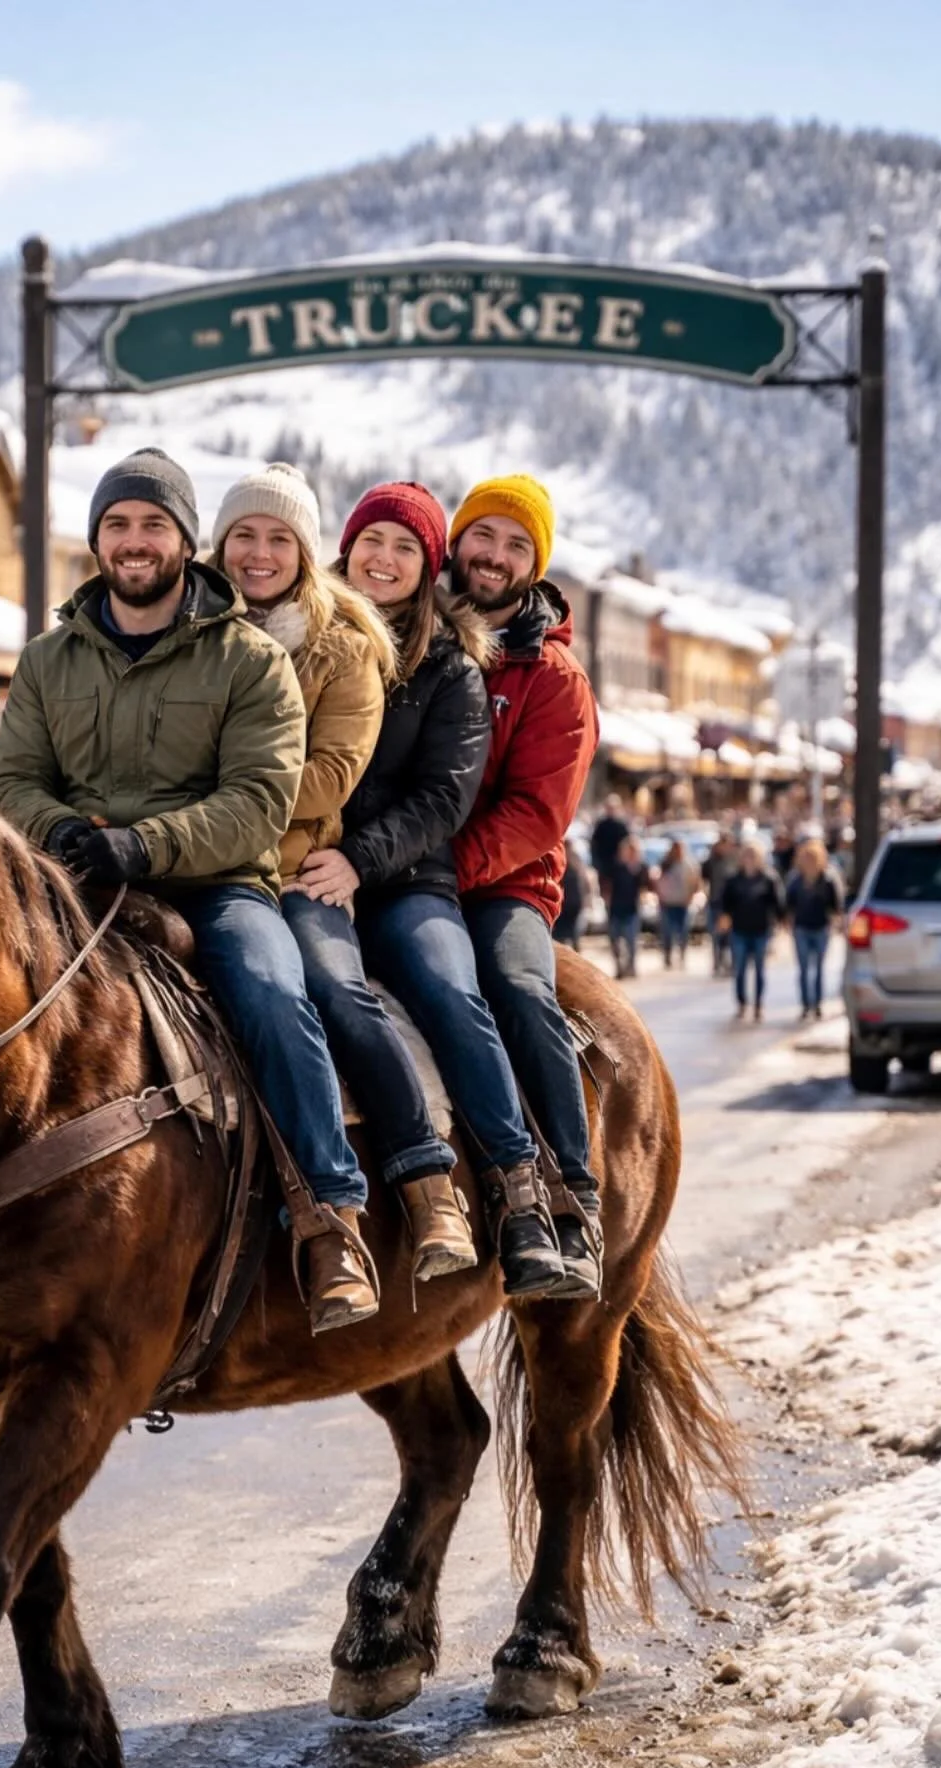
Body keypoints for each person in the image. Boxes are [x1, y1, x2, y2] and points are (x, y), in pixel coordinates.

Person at [0, 447, 375, 1333]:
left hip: (218, 886)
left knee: (277, 997)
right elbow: (11, 783)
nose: (134, 541)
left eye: (153, 525)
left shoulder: (248, 660)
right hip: (72, 880)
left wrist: (141, 845)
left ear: (184, 543)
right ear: (96, 542)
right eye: (117, 524)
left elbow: (258, 803)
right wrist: (67, 840)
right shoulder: (48, 661)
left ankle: (330, 1217)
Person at [210, 465, 476, 1286]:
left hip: (298, 868)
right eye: (244, 535)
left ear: (305, 551)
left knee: (333, 988)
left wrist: (202, 802)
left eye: (279, 538)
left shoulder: (344, 645)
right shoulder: (192, 627)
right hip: (185, 861)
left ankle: (428, 1176)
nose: (259, 554)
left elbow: (334, 778)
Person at [307, 482, 567, 1297]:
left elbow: (445, 796)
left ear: (428, 566)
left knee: (456, 993)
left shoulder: (454, 665)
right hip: (305, 866)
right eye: (371, 543)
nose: (383, 561)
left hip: (408, 876)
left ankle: (520, 1185)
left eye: (404, 548)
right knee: (314, 991)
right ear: (345, 551)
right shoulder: (301, 636)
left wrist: (361, 859)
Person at [448, 474, 604, 1299]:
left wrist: (441, 867)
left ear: (535, 564)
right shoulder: (413, 635)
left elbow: (536, 816)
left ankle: (572, 1195)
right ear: (456, 541)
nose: (495, 556)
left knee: (517, 986)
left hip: (503, 884)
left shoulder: (553, 678)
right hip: (392, 872)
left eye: (517, 545)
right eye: (484, 536)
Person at [718, 840, 785, 1021]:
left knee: (759, 970)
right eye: (746, 856)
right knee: (739, 969)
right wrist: (724, 918)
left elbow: (777, 904)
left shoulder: (768, 879)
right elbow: (725, 903)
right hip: (739, 930)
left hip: (761, 930)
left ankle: (758, 1004)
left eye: (753, 856)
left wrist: (782, 922)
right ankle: (741, 1002)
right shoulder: (733, 880)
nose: (749, 860)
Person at [785, 839, 843, 1020]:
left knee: (818, 968)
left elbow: (836, 903)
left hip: (821, 927)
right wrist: (787, 921)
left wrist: (838, 921)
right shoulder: (796, 879)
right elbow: (789, 903)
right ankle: (805, 1004)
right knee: (803, 969)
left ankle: (817, 1004)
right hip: (801, 927)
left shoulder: (828, 878)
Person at [607, 836, 648, 979]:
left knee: (631, 941)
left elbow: (645, 886)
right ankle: (619, 966)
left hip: (632, 909)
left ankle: (631, 966)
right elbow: (609, 886)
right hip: (616, 909)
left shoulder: (640, 868)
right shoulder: (617, 867)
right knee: (615, 941)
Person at [655, 837, 699, 969]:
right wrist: (660, 896)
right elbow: (658, 881)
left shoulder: (689, 864)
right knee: (667, 933)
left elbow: (695, 882)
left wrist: (690, 897)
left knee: (683, 932)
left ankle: (682, 955)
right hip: (668, 903)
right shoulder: (666, 864)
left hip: (682, 903)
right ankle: (667, 956)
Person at [703, 830, 739, 976]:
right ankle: (718, 963)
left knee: (731, 937)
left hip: (732, 906)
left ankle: (733, 964)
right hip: (715, 903)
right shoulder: (711, 862)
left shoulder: (735, 861)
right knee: (717, 936)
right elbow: (704, 878)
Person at [589, 794, 630, 907]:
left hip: (617, 867)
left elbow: (627, 845)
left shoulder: (622, 826)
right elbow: (594, 845)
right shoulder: (601, 825)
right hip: (603, 866)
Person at [554, 841, 588, 951]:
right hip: (565, 903)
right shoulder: (562, 861)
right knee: (564, 934)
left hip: (570, 903)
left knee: (570, 933)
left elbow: (584, 882)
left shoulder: (573, 861)